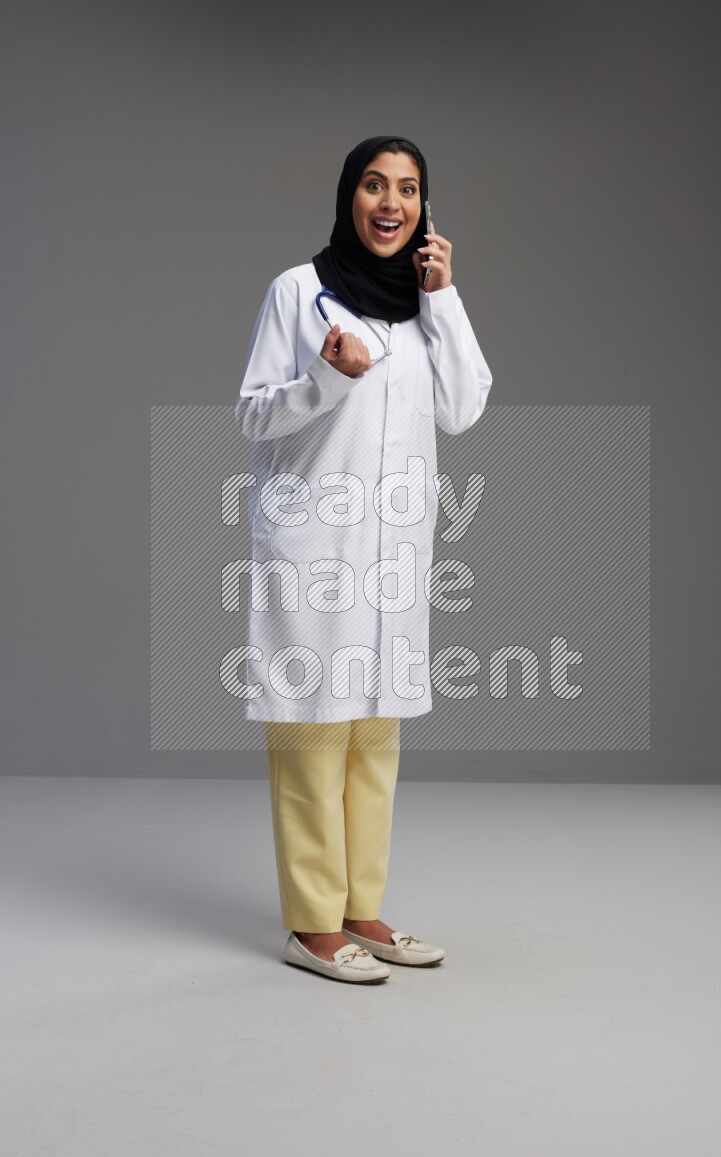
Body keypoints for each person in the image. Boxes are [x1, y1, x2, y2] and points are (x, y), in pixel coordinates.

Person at [235, 135, 492, 983]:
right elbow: (254, 416)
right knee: (313, 733)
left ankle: (362, 909)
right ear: (349, 196)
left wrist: (444, 298)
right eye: (376, 185)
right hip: (313, 549)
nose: (392, 202)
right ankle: (311, 925)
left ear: (424, 208)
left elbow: (464, 408)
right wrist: (326, 379)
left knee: (374, 734)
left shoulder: (424, 307)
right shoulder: (298, 294)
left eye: (409, 189)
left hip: (392, 554)